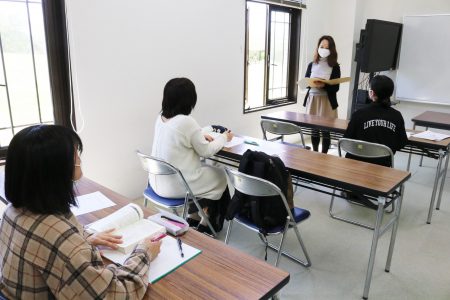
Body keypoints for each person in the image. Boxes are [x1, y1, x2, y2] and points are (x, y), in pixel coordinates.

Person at [0, 125, 161, 299]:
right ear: (55, 169)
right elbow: (113, 294)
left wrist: (83, 239)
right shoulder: (58, 237)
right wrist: (144, 253)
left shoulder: (12, 210)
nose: (78, 157)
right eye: (75, 153)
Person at [150, 77, 233, 234]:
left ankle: (194, 214)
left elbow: (180, 135)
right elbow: (206, 151)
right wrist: (224, 138)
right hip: (176, 187)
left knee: (205, 173)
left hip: (156, 183)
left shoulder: (160, 118)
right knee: (220, 175)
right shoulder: (186, 121)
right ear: (189, 100)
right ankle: (207, 219)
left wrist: (200, 134)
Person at [344, 75, 408, 167]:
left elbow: (347, 140)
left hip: (355, 165)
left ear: (372, 93)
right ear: (390, 94)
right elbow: (401, 144)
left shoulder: (359, 114)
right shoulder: (397, 116)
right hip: (382, 166)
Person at [303, 35, 341, 153]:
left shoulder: (334, 67)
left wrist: (324, 85)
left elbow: (336, 87)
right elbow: (305, 82)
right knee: (314, 129)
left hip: (326, 101)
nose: (323, 49)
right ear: (318, 47)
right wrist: (312, 83)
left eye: (326, 47)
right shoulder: (311, 64)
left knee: (326, 131)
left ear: (331, 49)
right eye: (321, 46)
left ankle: (324, 155)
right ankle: (315, 152)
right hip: (313, 99)